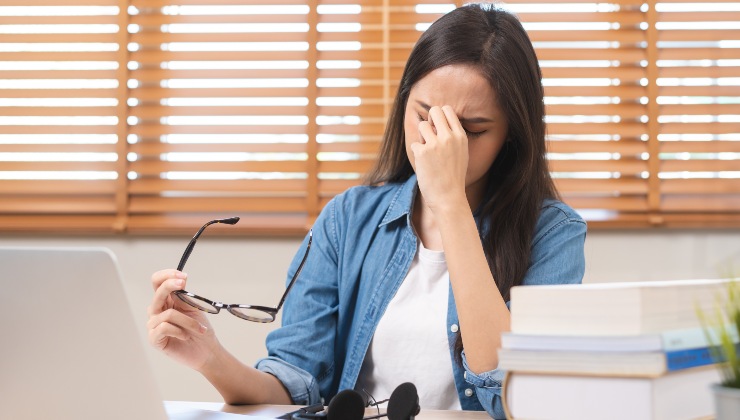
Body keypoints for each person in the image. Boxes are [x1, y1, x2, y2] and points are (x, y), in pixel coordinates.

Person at [147, 4, 586, 419]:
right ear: (403, 103)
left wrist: (449, 203)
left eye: (470, 130)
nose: (439, 143)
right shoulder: (347, 219)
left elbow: (516, 398)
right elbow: (298, 387)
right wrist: (209, 357)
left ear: (513, 133)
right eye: (425, 116)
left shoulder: (553, 235)